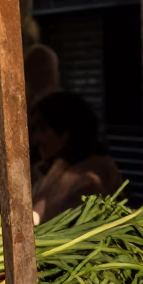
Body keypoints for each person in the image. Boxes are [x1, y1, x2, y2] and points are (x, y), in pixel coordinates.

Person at [29, 91, 123, 223]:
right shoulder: (58, 166)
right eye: (35, 130)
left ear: (65, 132)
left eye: (43, 129)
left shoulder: (94, 174)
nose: (36, 139)